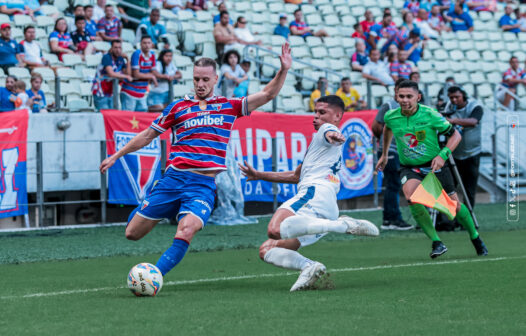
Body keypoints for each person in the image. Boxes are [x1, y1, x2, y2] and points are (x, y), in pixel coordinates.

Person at [99, 43, 293, 279]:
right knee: (132, 233)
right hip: (173, 180)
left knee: (187, 229)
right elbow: (148, 134)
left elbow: (268, 94)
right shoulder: (178, 107)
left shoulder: (228, 106)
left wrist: (283, 70)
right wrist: (116, 155)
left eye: (205, 79)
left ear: (215, 79)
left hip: (201, 185)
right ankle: (160, 207)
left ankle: (154, 276)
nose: (200, 84)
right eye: (196, 79)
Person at [239, 95, 379, 292]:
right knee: (268, 249)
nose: (316, 116)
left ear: (337, 115)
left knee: (274, 229)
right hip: (324, 206)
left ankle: (341, 225)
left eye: (322, 112)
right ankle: (309, 266)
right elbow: (296, 176)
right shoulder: (319, 147)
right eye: (315, 111)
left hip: (314, 195)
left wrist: (333, 134)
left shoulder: (326, 131)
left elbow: (330, 131)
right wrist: (259, 174)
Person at [376, 80, 488, 258]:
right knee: (412, 197)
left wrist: (442, 155)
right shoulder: (391, 116)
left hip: (435, 166)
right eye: (401, 96)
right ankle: (437, 242)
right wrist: (384, 154)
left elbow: (455, 135)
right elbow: (388, 128)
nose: (405, 100)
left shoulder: (430, 115)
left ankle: (475, 237)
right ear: (396, 96)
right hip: (410, 168)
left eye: (409, 96)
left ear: (418, 97)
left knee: (454, 207)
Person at [371, 78, 414, 231]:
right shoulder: (389, 105)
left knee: (393, 184)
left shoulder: (412, 107)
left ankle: (389, 219)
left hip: (401, 151)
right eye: (400, 91)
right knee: (394, 184)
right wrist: (384, 143)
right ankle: (393, 218)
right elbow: (376, 127)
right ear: (396, 91)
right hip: (390, 150)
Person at [443, 85, 483, 209]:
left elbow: (473, 121)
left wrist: (453, 121)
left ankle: (469, 217)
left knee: (469, 188)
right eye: (451, 97)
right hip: (454, 154)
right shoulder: (448, 107)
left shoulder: (475, 106)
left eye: (457, 97)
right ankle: (450, 218)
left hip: (472, 154)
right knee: (450, 187)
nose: (454, 100)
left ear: (463, 96)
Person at [92, 39, 132, 110]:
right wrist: (126, 76)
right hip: (100, 92)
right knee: (105, 114)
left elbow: (128, 73)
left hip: (111, 92)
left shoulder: (120, 59)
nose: (118, 50)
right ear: (111, 48)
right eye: (115, 47)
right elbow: (111, 73)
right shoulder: (106, 57)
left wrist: (127, 59)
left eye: (119, 48)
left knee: (111, 115)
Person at [120, 36, 158, 112]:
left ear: (152, 44)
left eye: (148, 43)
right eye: (144, 43)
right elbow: (136, 74)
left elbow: (154, 72)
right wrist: (151, 76)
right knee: (128, 118)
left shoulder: (153, 54)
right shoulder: (137, 54)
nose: (147, 45)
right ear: (140, 44)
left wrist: (156, 75)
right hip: (129, 92)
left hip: (142, 93)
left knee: (141, 119)